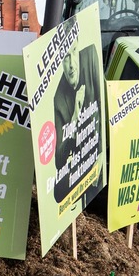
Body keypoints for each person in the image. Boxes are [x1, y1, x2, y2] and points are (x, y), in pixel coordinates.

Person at [53, 34, 103, 204]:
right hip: (79, 167)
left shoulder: (90, 57)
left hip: (98, 155)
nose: (72, 64)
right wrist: (74, 116)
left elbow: (103, 109)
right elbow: (59, 160)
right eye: (66, 57)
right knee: (58, 191)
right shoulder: (58, 99)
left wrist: (101, 155)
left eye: (74, 51)